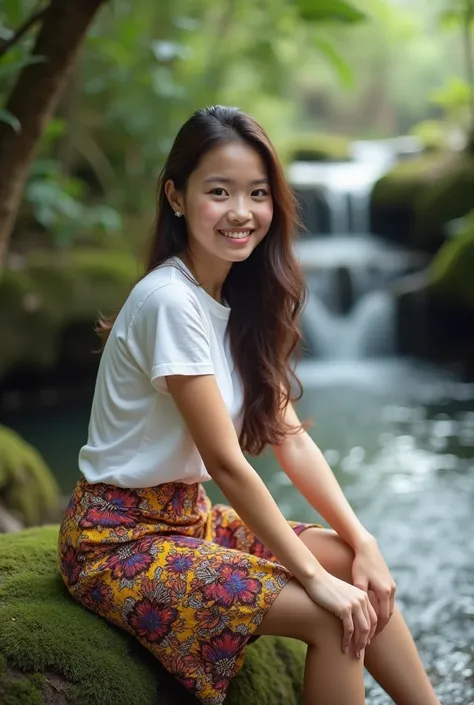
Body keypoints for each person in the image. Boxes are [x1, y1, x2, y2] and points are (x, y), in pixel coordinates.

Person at [58, 105, 441, 705]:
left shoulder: (235, 297)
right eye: (219, 191)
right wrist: (314, 582)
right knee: (332, 613)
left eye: (257, 193)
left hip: (189, 521)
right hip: (119, 542)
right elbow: (229, 463)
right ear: (176, 197)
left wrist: (362, 540)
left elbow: (292, 439)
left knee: (353, 564)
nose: (242, 212)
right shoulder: (169, 301)